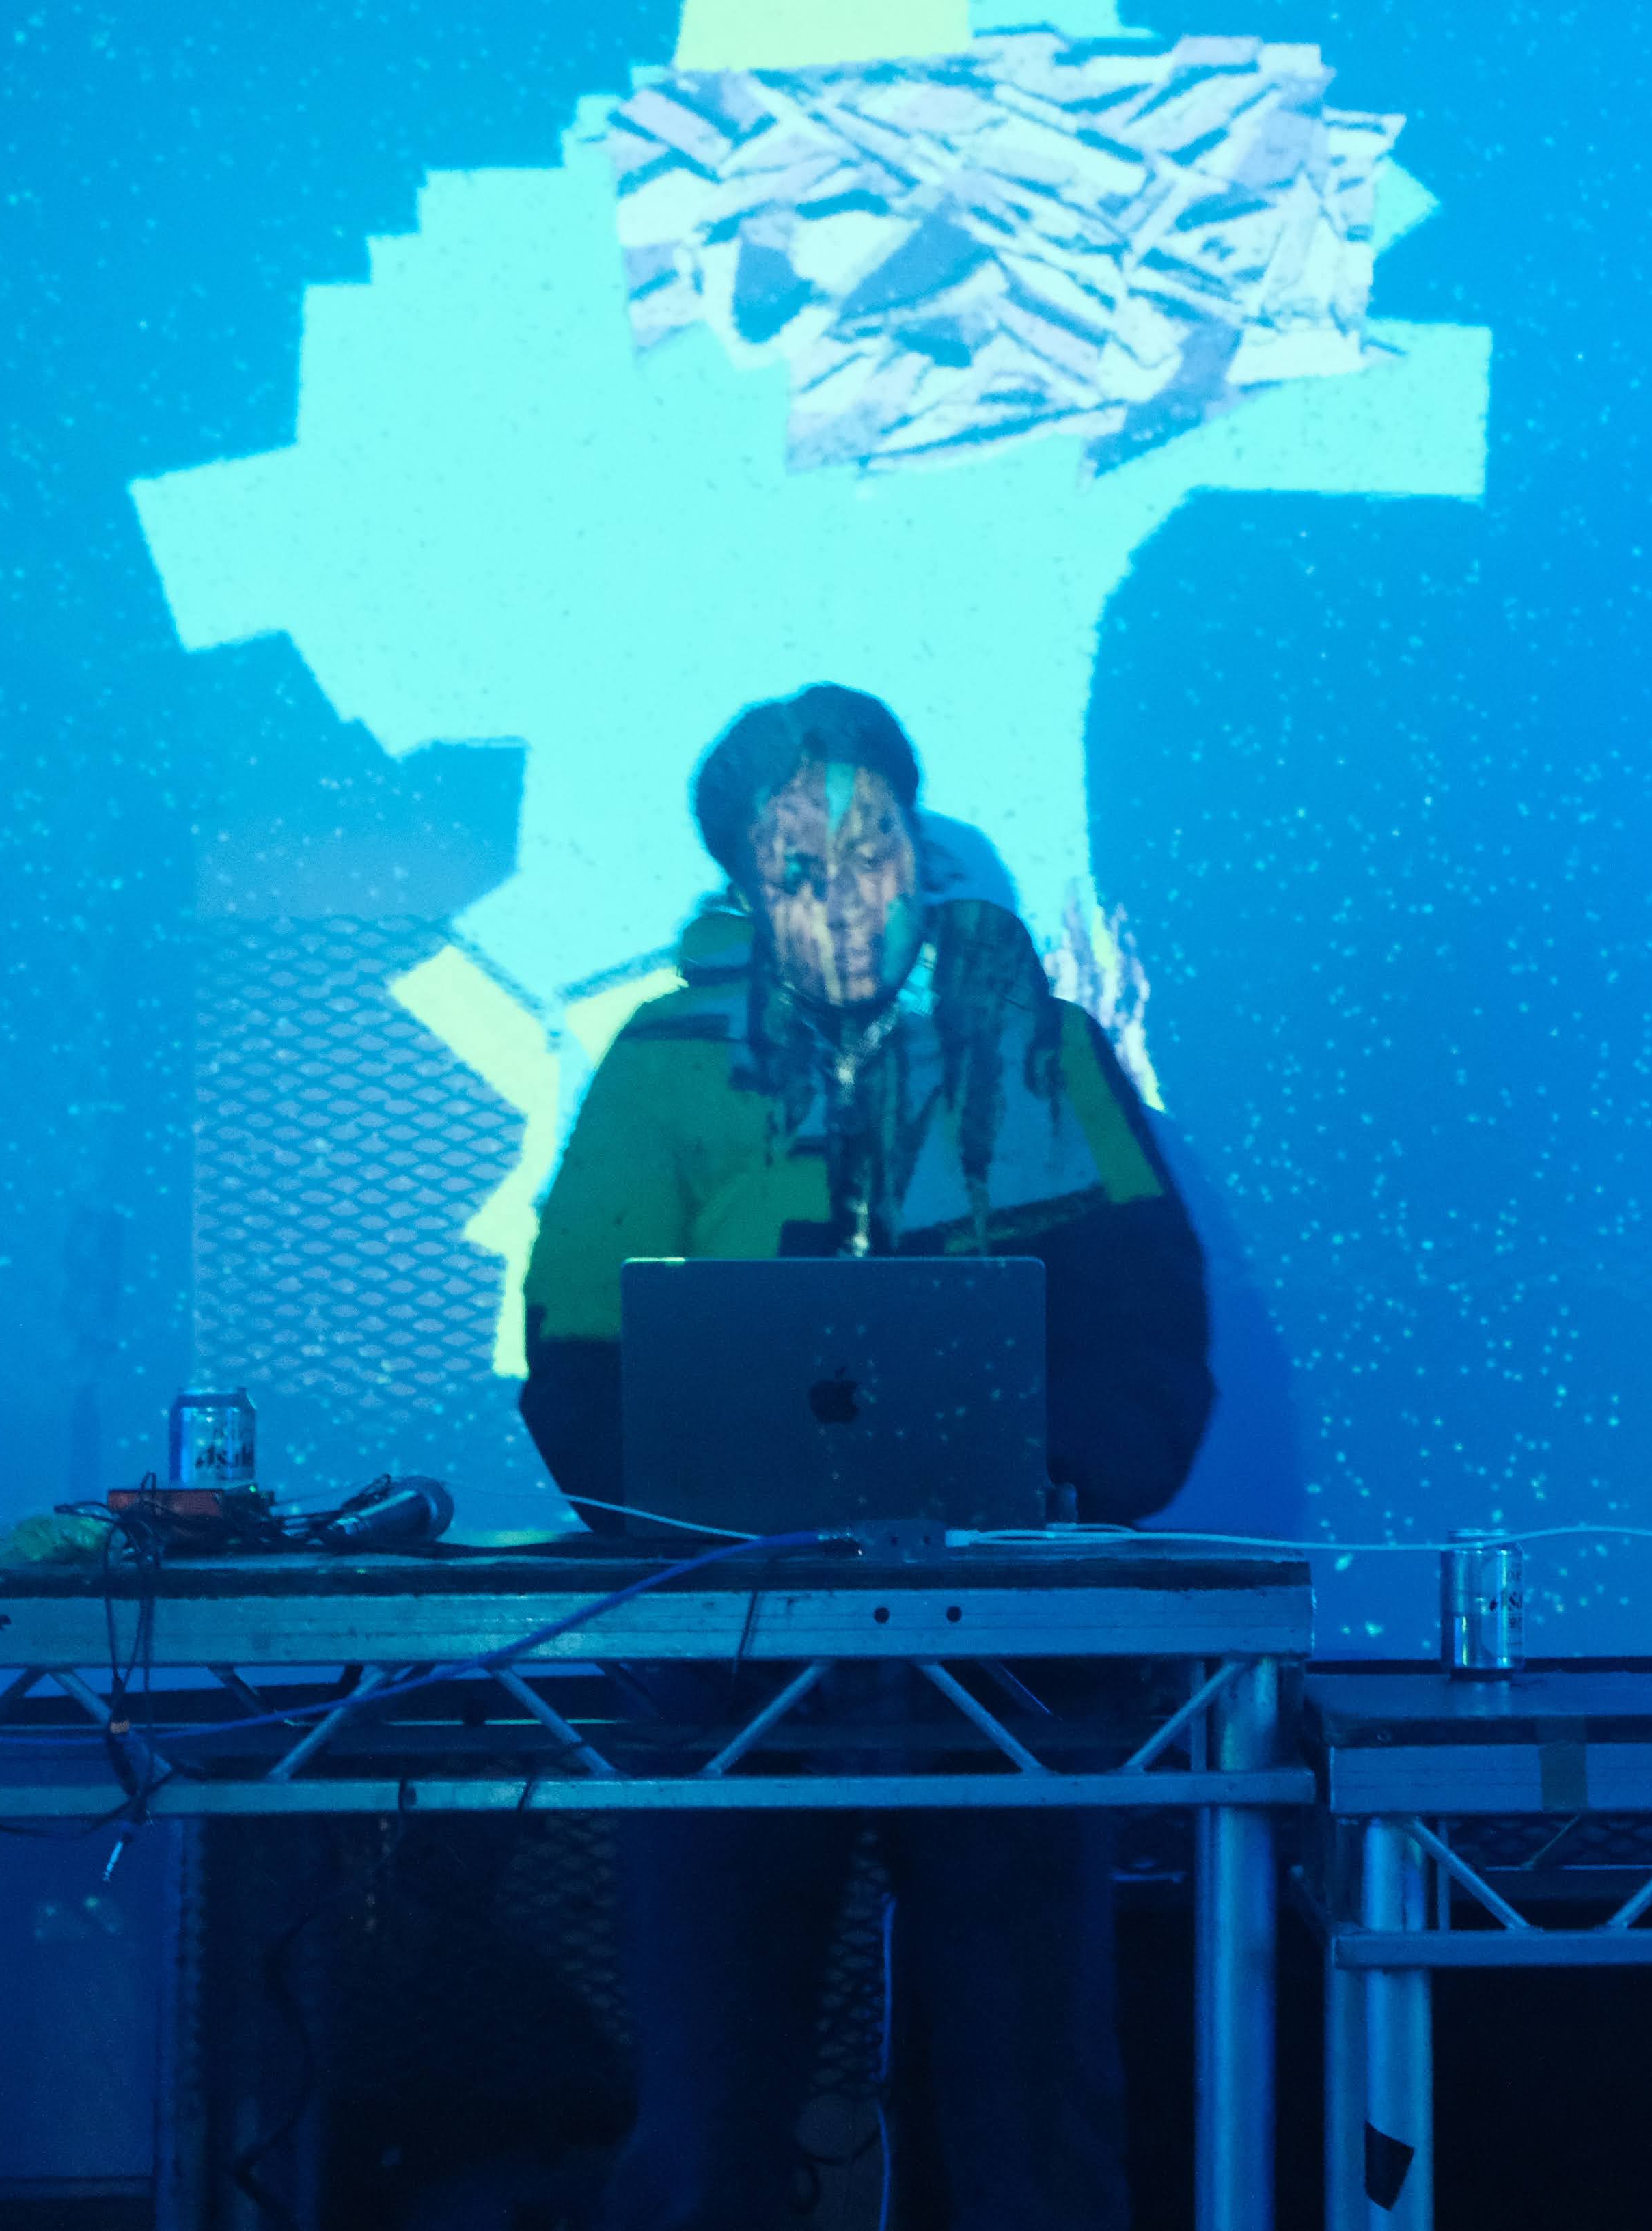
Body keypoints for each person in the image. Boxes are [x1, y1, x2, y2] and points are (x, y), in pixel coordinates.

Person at [519, 683, 1212, 2230]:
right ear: (742, 886)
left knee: (1036, 2132)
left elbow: (1152, 1344)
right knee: (702, 2130)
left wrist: (1055, 1487)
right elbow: (575, 1358)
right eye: (799, 867)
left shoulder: (1037, 1053)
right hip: (729, 1651)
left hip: (1009, 1657)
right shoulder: (664, 1059)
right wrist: (685, 1518)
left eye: (875, 847)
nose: (847, 894)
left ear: (916, 846)